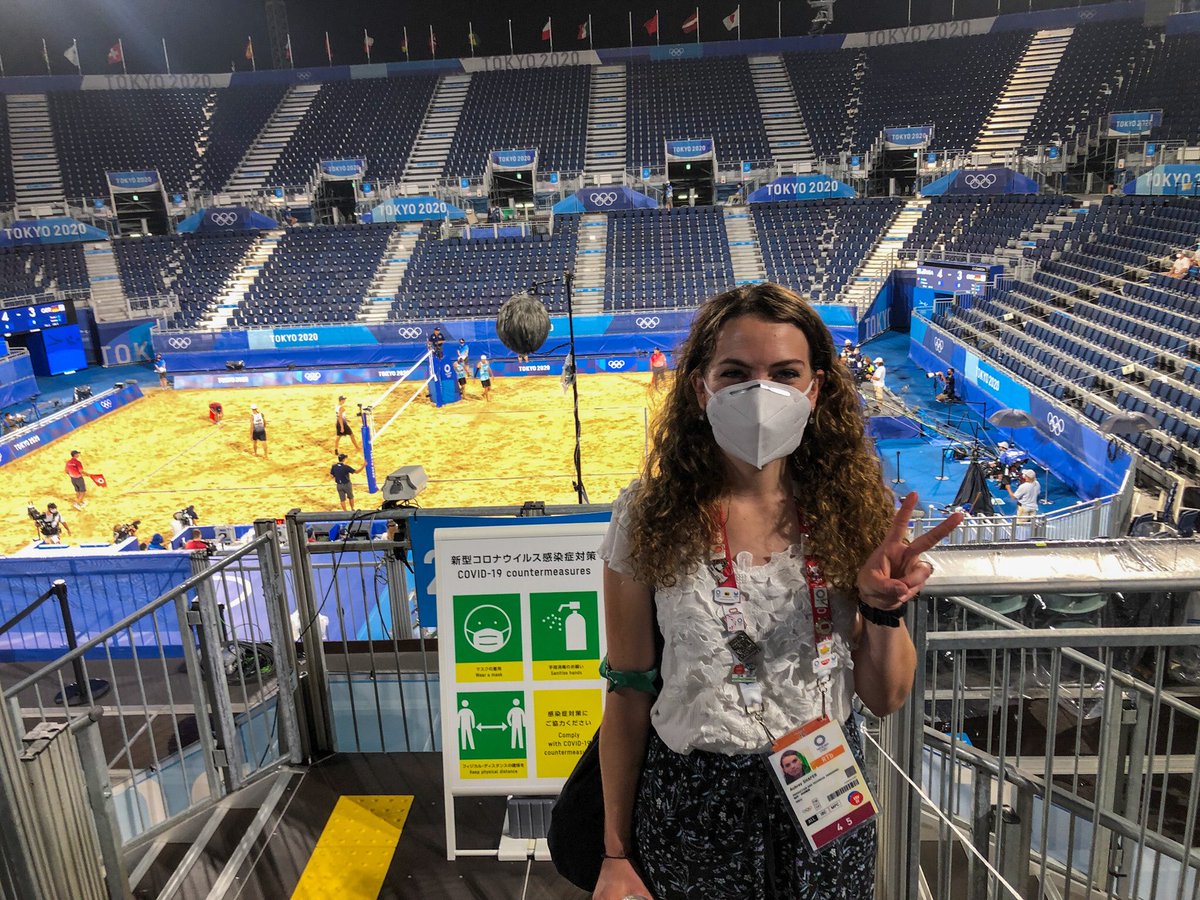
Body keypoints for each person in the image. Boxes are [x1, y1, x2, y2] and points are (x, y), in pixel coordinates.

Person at [594, 283, 960, 900]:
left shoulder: (855, 512)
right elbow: (628, 694)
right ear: (699, 387)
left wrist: (883, 608)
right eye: (735, 373)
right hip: (691, 810)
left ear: (815, 390)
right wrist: (615, 853)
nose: (760, 392)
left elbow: (887, 696)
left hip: (828, 800)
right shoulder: (648, 514)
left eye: (785, 374)